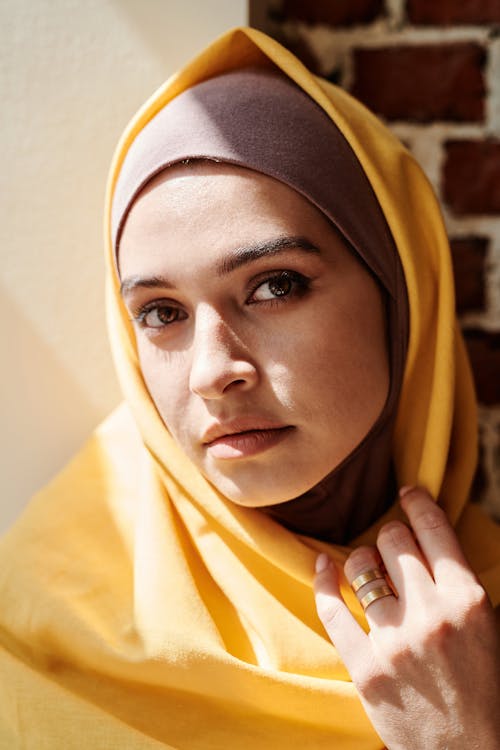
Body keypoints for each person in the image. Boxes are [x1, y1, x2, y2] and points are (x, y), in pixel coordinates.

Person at [0, 26, 499, 749]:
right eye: (161, 313)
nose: (211, 372)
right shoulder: (38, 632)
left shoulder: (481, 624)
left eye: (274, 286)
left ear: (401, 293)